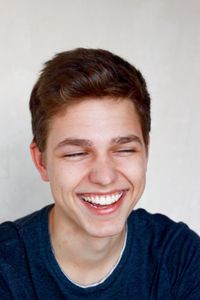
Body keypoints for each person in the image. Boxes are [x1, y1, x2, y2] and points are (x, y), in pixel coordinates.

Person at [0, 48, 199, 299]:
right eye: (76, 154)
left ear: (145, 152)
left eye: (124, 149)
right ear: (41, 162)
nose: (104, 177)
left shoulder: (179, 256)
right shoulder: (6, 268)